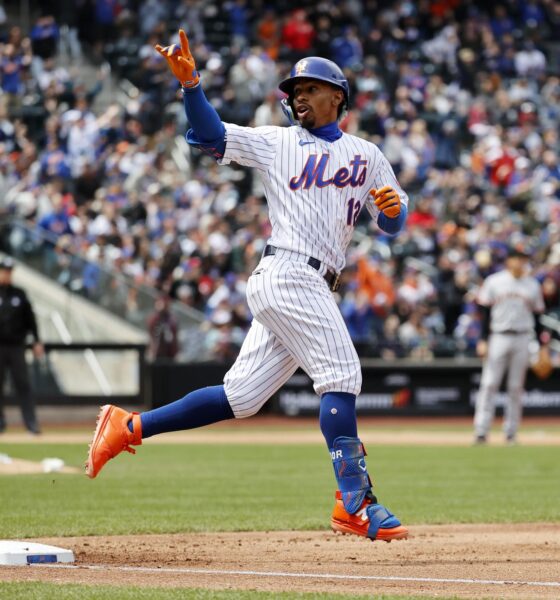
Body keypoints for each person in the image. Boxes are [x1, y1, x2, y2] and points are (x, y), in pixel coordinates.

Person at [86, 30, 409, 543]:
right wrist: (192, 85)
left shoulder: (366, 154)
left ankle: (128, 428)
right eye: (293, 89)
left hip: (310, 281)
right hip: (288, 272)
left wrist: (395, 211)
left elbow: (392, 218)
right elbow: (212, 136)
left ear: (338, 97)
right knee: (342, 373)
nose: (296, 95)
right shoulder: (278, 142)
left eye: (308, 87)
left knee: (241, 397)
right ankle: (356, 502)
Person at [473, 248, 546, 444]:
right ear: (509, 261)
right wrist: (483, 339)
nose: (520, 263)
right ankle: (481, 431)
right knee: (489, 384)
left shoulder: (532, 285)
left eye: (523, 260)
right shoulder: (494, 281)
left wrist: (542, 346)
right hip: (498, 336)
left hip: (523, 337)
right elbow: (485, 313)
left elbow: (538, 318)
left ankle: (511, 432)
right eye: (517, 259)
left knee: (516, 387)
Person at [0, 257, 43, 434]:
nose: (7, 275)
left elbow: (30, 319)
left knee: (23, 385)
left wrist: (36, 340)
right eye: (5, 271)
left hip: (17, 346)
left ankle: (31, 423)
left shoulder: (19, 294)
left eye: (10, 272)